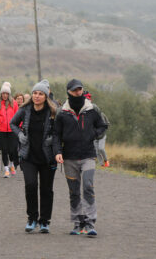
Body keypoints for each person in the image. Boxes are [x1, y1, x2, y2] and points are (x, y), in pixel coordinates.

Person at [53, 79, 107, 237]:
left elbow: (103, 125)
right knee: (74, 191)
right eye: (75, 90)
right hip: (69, 156)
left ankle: (90, 223)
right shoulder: (61, 112)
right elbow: (56, 135)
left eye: (80, 89)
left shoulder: (92, 109)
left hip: (88, 155)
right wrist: (57, 152)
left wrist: (93, 135)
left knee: (88, 187)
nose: (78, 92)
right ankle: (78, 223)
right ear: (68, 92)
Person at [10, 80, 58, 234]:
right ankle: (32, 218)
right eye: (35, 93)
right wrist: (20, 135)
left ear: (46, 96)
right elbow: (13, 123)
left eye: (41, 94)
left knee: (46, 189)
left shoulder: (53, 112)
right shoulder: (25, 109)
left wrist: (54, 138)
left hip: (47, 157)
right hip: (28, 156)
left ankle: (44, 221)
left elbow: (60, 129)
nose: (37, 96)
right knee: (30, 186)